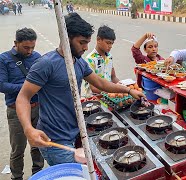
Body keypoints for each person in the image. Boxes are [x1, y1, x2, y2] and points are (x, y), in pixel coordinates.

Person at [15, 13, 145, 166]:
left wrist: (129, 91)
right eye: (82, 42)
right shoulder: (46, 64)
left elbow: (101, 83)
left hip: (75, 131)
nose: (86, 47)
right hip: (56, 140)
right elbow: (23, 97)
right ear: (66, 37)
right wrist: (28, 129)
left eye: (87, 42)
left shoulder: (78, 62)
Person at [0, 28, 44, 180]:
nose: (30, 51)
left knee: (38, 144)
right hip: (16, 111)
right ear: (15, 43)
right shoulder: (3, 59)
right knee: (18, 149)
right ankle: (16, 177)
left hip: (37, 108)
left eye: (32, 47)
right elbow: (2, 85)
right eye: (26, 47)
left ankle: (38, 174)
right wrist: (27, 88)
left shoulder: (37, 57)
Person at [84, 25, 120, 97]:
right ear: (98, 40)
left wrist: (123, 86)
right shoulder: (90, 59)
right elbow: (93, 88)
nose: (110, 46)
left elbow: (113, 77)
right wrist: (112, 92)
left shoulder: (109, 57)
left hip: (109, 96)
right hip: (94, 98)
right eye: (108, 43)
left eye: (112, 43)